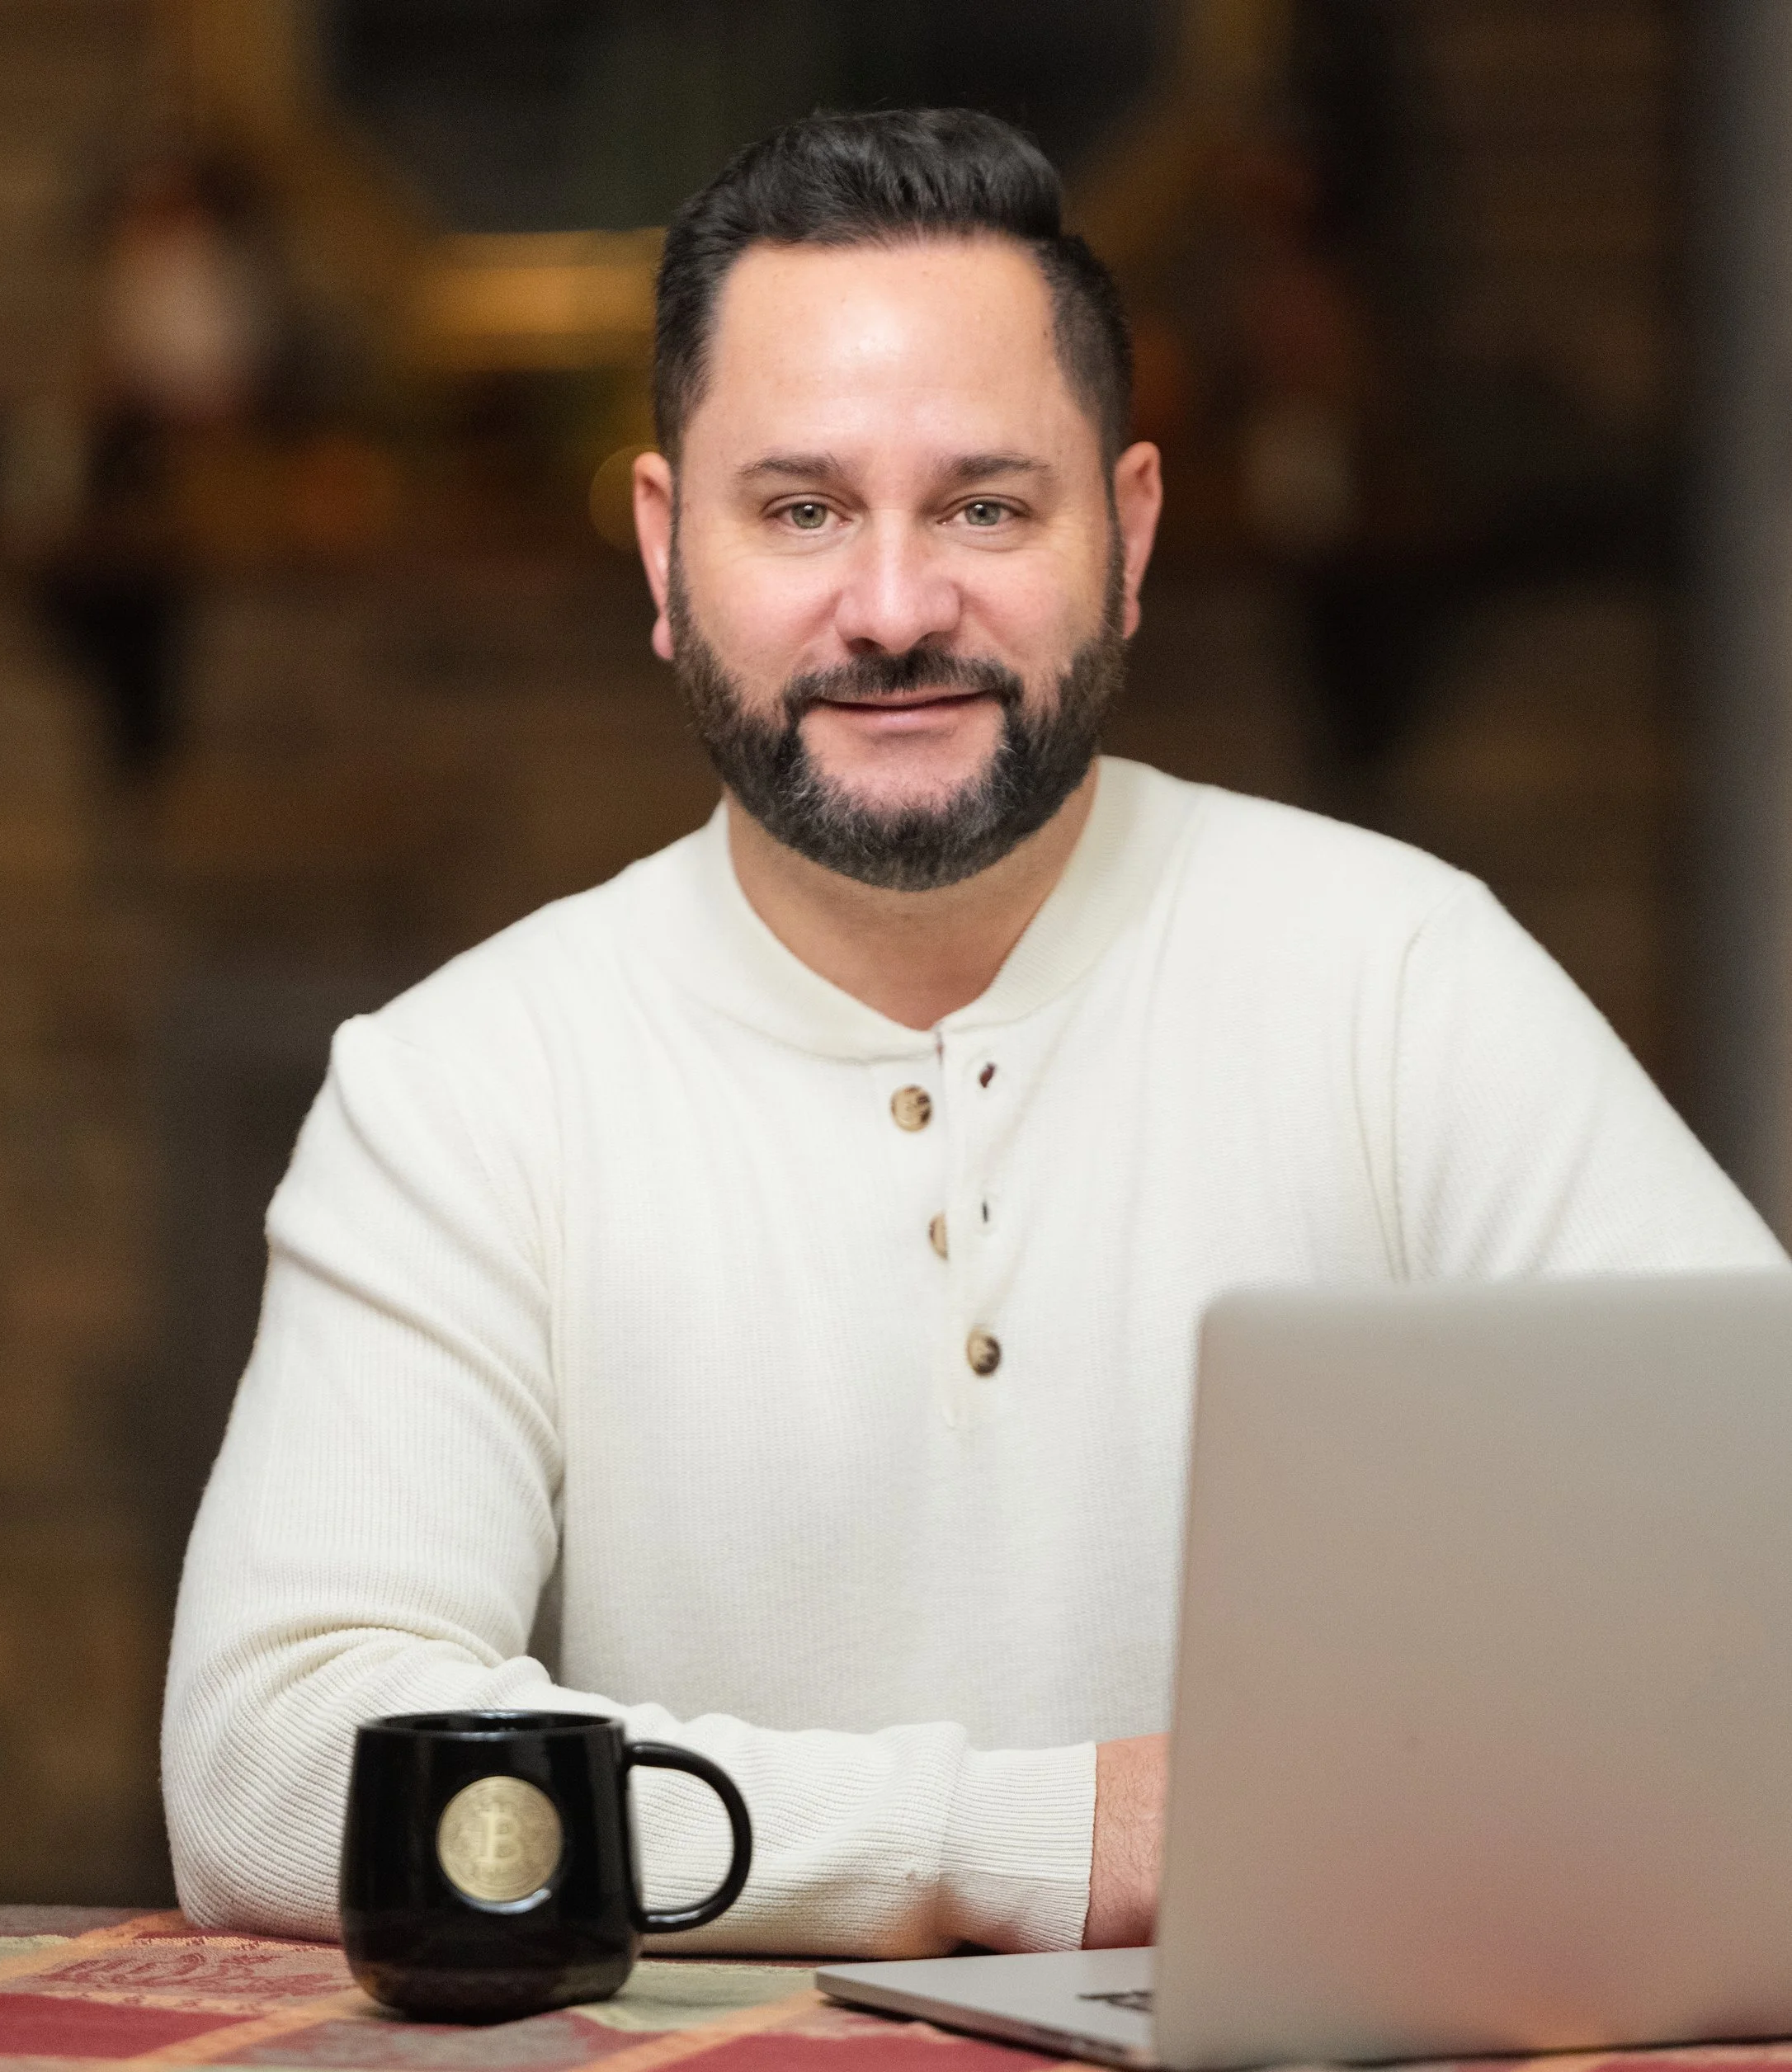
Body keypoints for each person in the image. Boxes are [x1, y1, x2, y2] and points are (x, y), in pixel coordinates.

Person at [161, 108, 1785, 1957]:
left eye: (986, 506)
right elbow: (274, 1777)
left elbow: (1760, 1571)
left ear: (1133, 533)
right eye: (798, 510)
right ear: (662, 553)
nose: (893, 606)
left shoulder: (1398, 977)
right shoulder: (461, 1088)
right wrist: (1042, 1834)